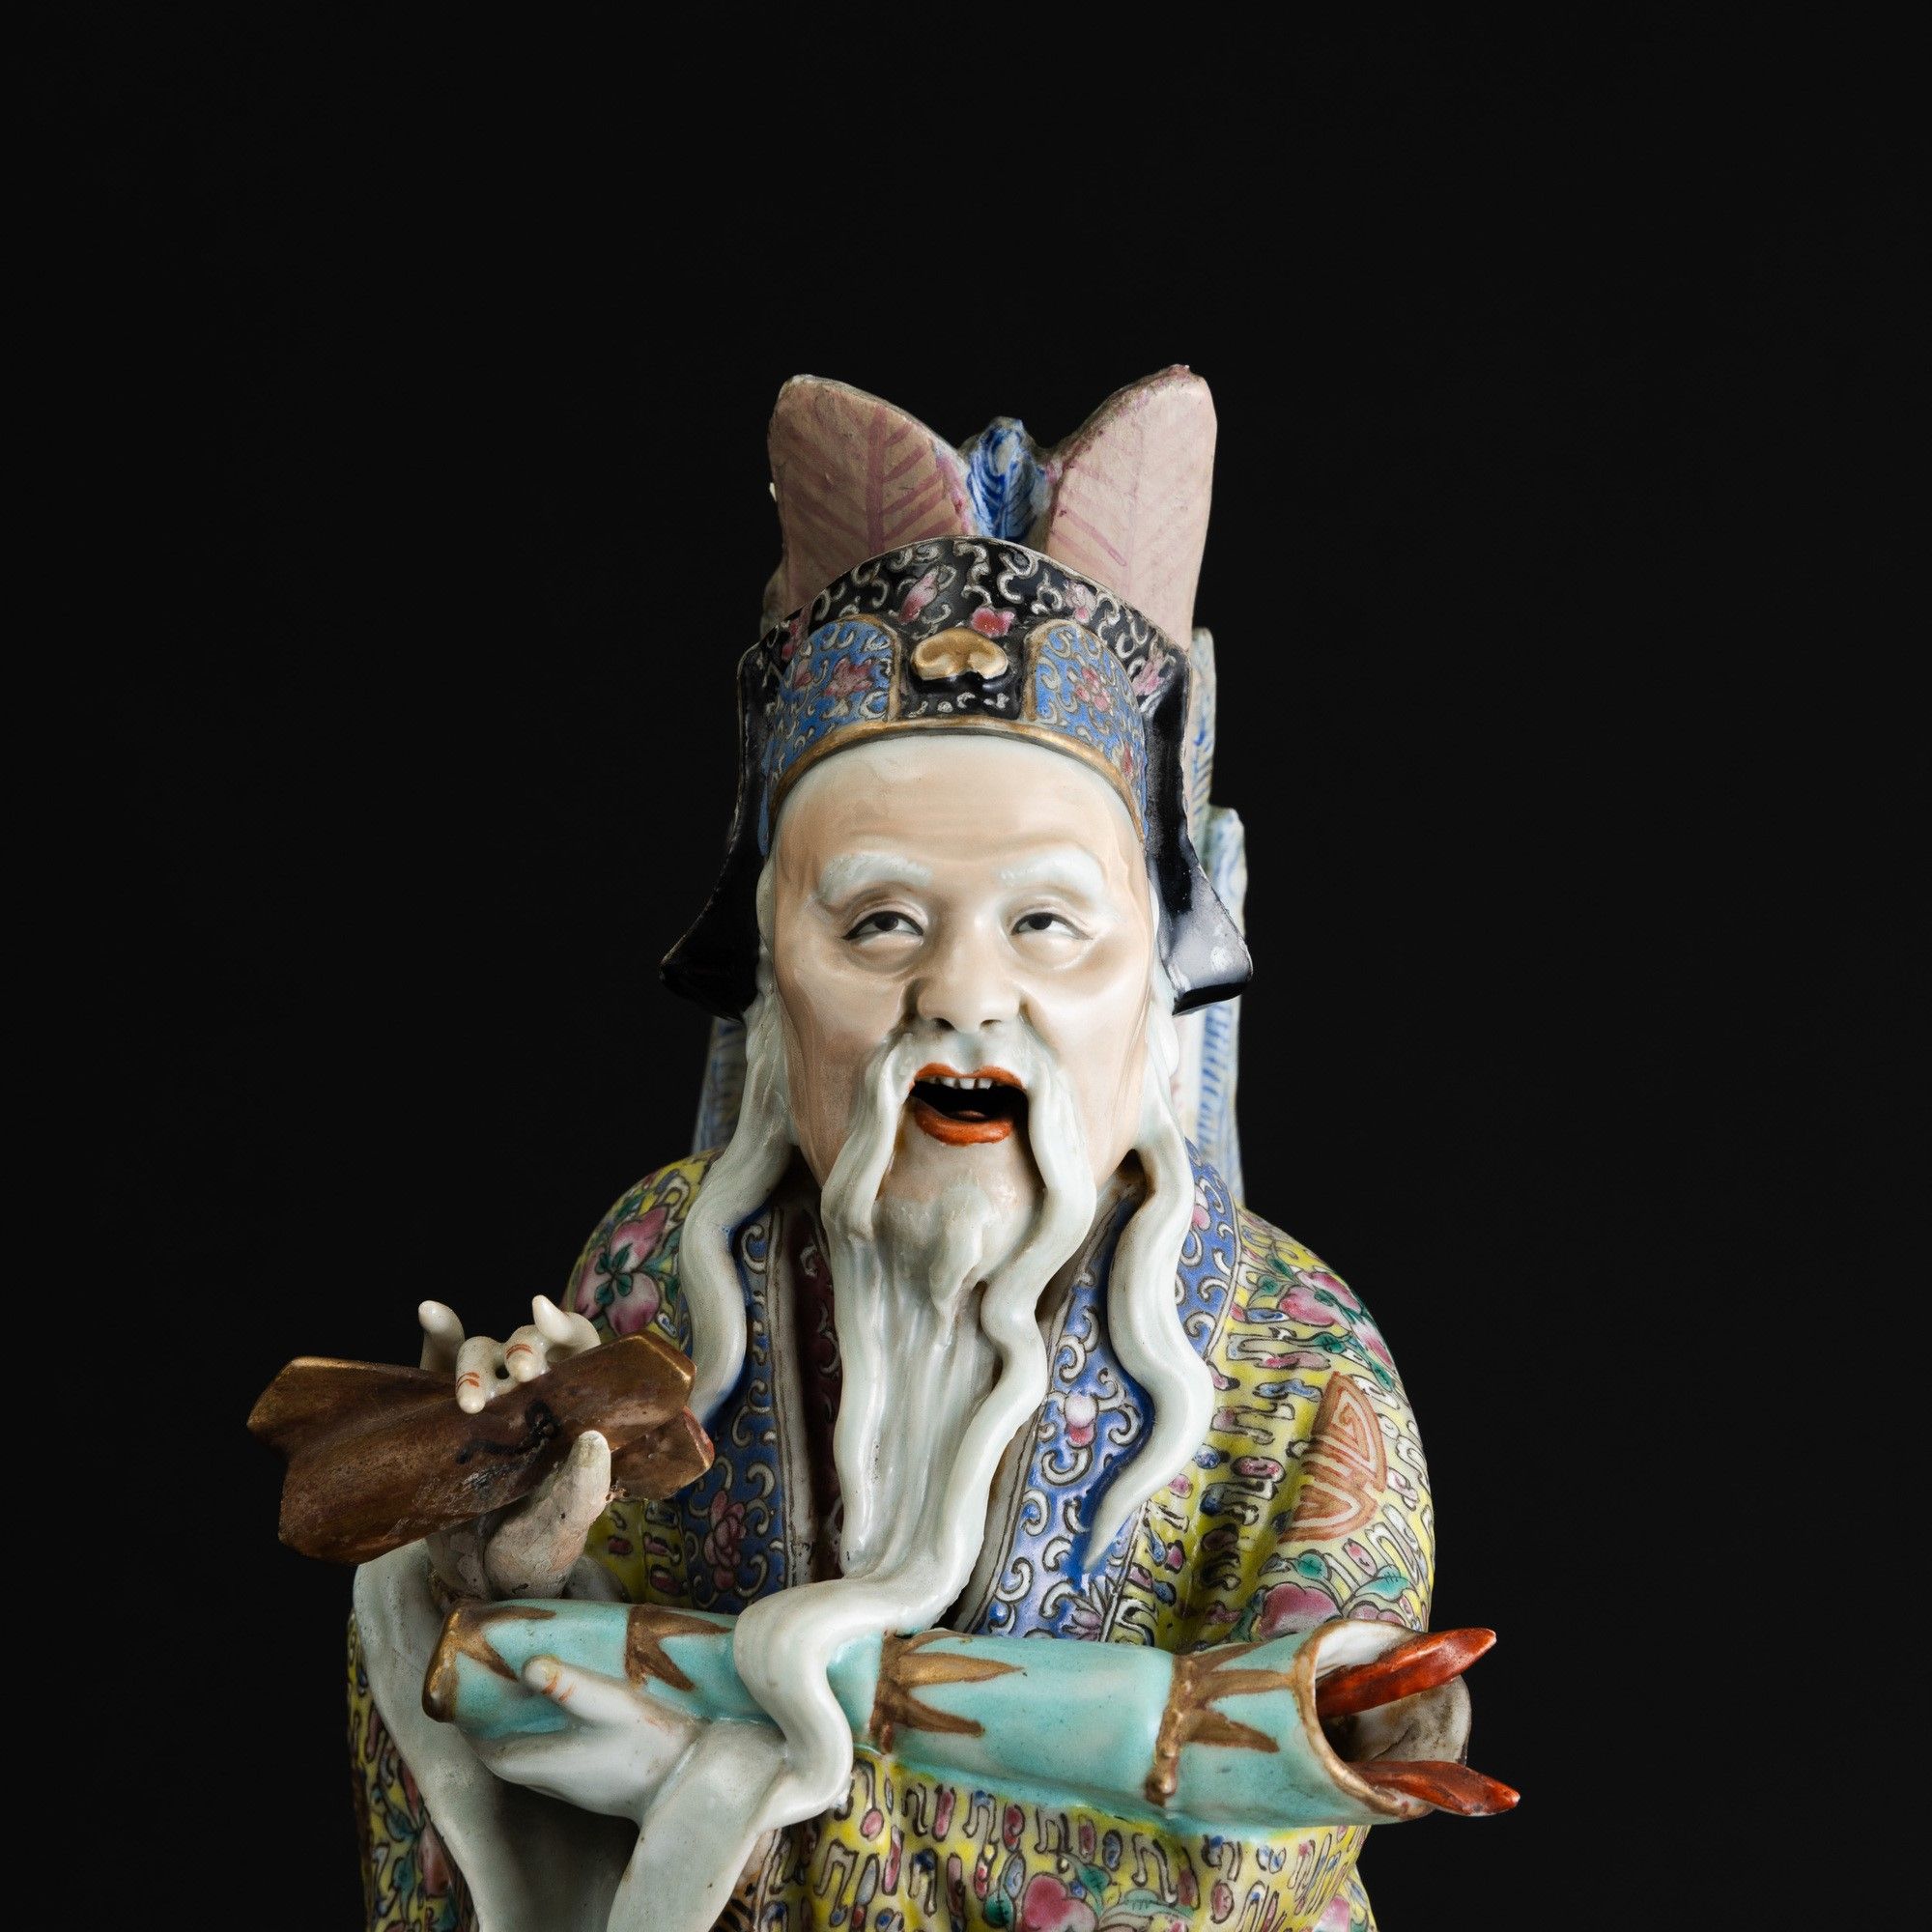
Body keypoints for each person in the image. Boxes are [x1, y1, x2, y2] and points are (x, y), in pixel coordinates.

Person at [346, 372, 1483, 1932]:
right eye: (880, 922)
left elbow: (1268, 1846)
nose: (962, 994)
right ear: (772, 969)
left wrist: (744, 1780)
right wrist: (512, 1572)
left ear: (1153, 982)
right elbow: (523, 1701)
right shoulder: (658, 1283)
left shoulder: (1293, 1361)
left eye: (1047, 925)